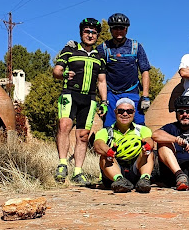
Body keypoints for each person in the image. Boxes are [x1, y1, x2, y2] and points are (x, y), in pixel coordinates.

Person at [53, 18, 107, 185]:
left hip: (89, 98)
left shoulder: (100, 57)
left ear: (97, 35)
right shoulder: (69, 50)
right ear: (81, 33)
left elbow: (101, 81)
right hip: (70, 94)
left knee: (83, 136)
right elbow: (56, 71)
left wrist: (104, 101)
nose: (90, 35)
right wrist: (63, 74)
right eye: (87, 31)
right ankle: (62, 164)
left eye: (93, 32)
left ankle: (78, 171)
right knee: (64, 126)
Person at [96, 13, 151, 127]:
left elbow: (145, 71)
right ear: (110, 29)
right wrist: (103, 100)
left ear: (126, 29)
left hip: (132, 92)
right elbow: (97, 73)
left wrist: (145, 96)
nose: (118, 31)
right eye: (115, 28)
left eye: (122, 28)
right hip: (111, 94)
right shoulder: (103, 48)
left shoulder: (136, 46)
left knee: (139, 124)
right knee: (109, 125)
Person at [93, 98, 155, 193]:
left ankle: (144, 179)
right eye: (121, 111)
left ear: (134, 113)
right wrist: (108, 151)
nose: (125, 114)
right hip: (113, 173)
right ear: (115, 112)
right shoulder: (106, 131)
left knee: (148, 153)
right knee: (104, 156)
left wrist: (147, 146)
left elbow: (149, 140)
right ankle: (119, 180)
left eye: (129, 111)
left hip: (136, 169)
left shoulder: (142, 130)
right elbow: (98, 144)